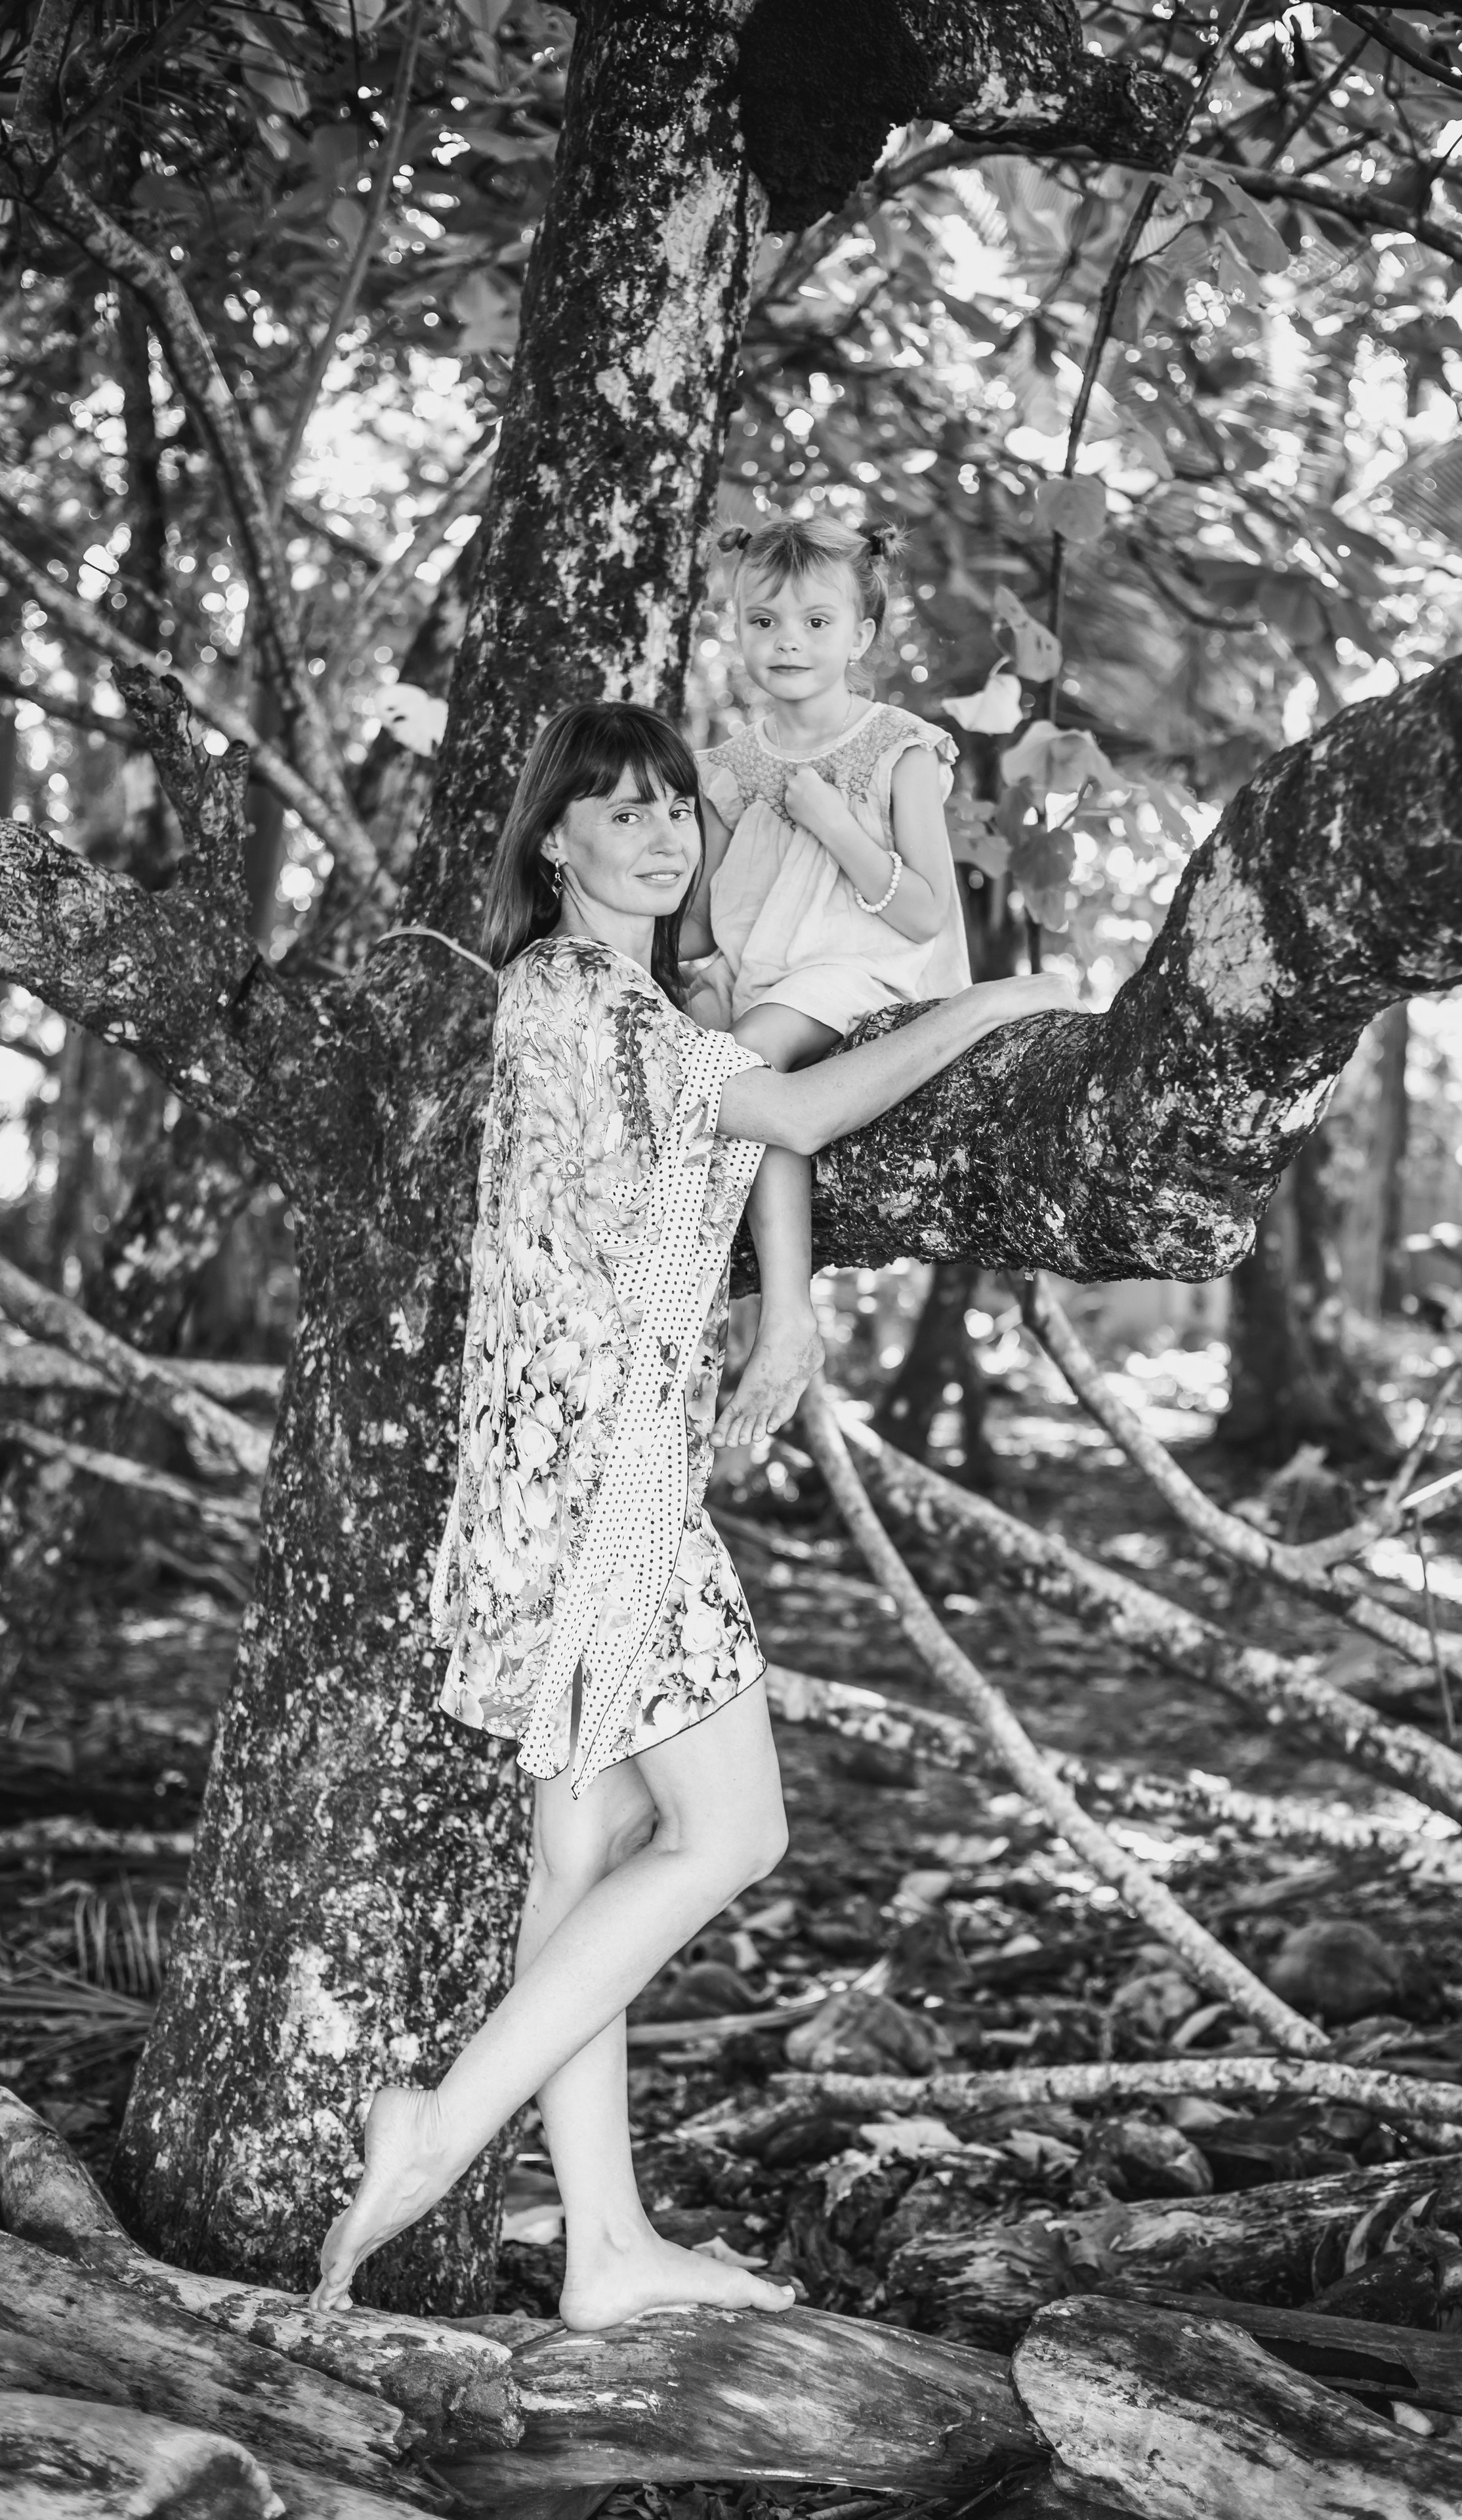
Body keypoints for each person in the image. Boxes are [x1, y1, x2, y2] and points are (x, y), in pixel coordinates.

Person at [310, 700, 1070, 2321]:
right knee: (732, 1830)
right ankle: (440, 2129)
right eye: (618, 811)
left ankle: (603, 2250)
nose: (659, 835)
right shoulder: (577, 1002)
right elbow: (792, 1116)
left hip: (565, 1466)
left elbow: (751, 1119)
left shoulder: (635, 1009)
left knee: (581, 1860)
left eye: (675, 810)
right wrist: (1001, 1000)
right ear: (553, 843)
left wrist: (787, 1311)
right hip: (599, 1483)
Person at [689, 514, 972, 1450]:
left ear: (862, 635)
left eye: (817, 623)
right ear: (735, 626)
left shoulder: (897, 747)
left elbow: (927, 911)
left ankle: (788, 1318)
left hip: (862, 970)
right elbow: (703, 919)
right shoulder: (729, 766)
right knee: (698, 1053)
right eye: (763, 621)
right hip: (760, 974)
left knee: (750, 1066)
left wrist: (834, 822)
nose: (788, 643)